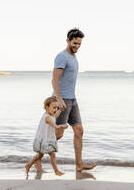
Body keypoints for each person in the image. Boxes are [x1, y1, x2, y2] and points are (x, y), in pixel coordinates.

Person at [35, 28, 97, 172]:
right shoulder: (62, 57)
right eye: (75, 43)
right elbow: (54, 80)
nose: (77, 46)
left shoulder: (74, 57)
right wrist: (59, 99)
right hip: (61, 101)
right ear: (68, 41)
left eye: (79, 44)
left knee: (79, 130)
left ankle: (79, 165)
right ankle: (37, 160)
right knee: (58, 134)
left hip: (72, 99)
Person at [25, 97, 68, 176]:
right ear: (46, 107)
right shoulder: (47, 118)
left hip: (46, 139)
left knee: (40, 155)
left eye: (56, 108)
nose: (55, 110)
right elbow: (55, 126)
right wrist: (62, 126)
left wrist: (60, 110)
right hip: (45, 140)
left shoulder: (50, 115)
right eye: (54, 108)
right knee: (52, 154)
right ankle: (56, 171)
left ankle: (28, 165)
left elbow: (55, 116)